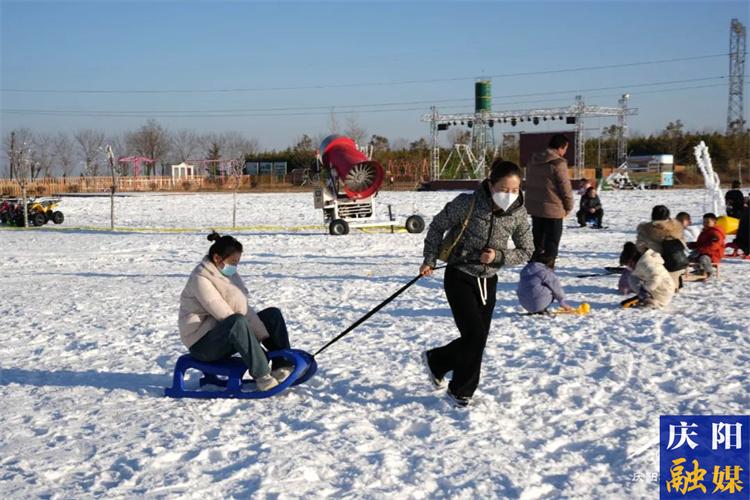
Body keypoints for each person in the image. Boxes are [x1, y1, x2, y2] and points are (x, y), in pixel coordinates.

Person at [420, 160, 534, 407]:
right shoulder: (467, 203)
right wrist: (429, 259)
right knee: (475, 335)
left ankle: (437, 361)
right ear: (491, 185)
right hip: (459, 275)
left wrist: (499, 256)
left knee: (477, 340)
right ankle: (460, 392)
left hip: (488, 280)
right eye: (503, 189)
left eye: (515, 190)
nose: (509, 195)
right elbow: (437, 226)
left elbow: (526, 251)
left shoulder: (518, 213)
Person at [178, 232, 295, 392]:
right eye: (232, 262)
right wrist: (257, 351)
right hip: (202, 344)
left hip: (222, 334)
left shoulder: (228, 275)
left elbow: (244, 309)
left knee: (272, 315)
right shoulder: (200, 279)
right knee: (236, 321)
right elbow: (225, 315)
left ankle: (282, 365)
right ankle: (262, 376)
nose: (235, 266)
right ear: (217, 258)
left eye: (237, 262)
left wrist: (265, 337)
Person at [525, 133, 574, 268]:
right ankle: (547, 270)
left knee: (537, 241)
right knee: (551, 243)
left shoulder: (533, 160)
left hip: (536, 208)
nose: (565, 152)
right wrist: (568, 206)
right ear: (560, 147)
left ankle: (532, 267)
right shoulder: (558, 163)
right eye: (565, 149)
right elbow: (565, 187)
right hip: (553, 209)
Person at [636, 205, 686, 291]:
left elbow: (640, 247)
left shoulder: (646, 229)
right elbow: (683, 244)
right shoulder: (676, 227)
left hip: (657, 268)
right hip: (677, 264)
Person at [619, 242, 674, 309]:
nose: (630, 268)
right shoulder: (643, 262)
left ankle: (651, 302)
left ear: (632, 261)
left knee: (633, 278)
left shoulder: (645, 264)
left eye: (629, 266)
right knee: (633, 277)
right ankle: (645, 297)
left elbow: (656, 278)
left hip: (663, 292)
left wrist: (645, 290)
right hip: (663, 288)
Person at [687, 213, 725, 278]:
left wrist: (700, 250)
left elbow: (714, 245)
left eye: (707, 222)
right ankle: (699, 270)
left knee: (703, 258)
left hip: (713, 255)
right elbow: (701, 244)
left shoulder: (715, 233)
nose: (705, 224)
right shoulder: (705, 231)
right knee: (690, 258)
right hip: (703, 252)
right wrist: (691, 244)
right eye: (704, 222)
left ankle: (708, 271)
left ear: (714, 222)